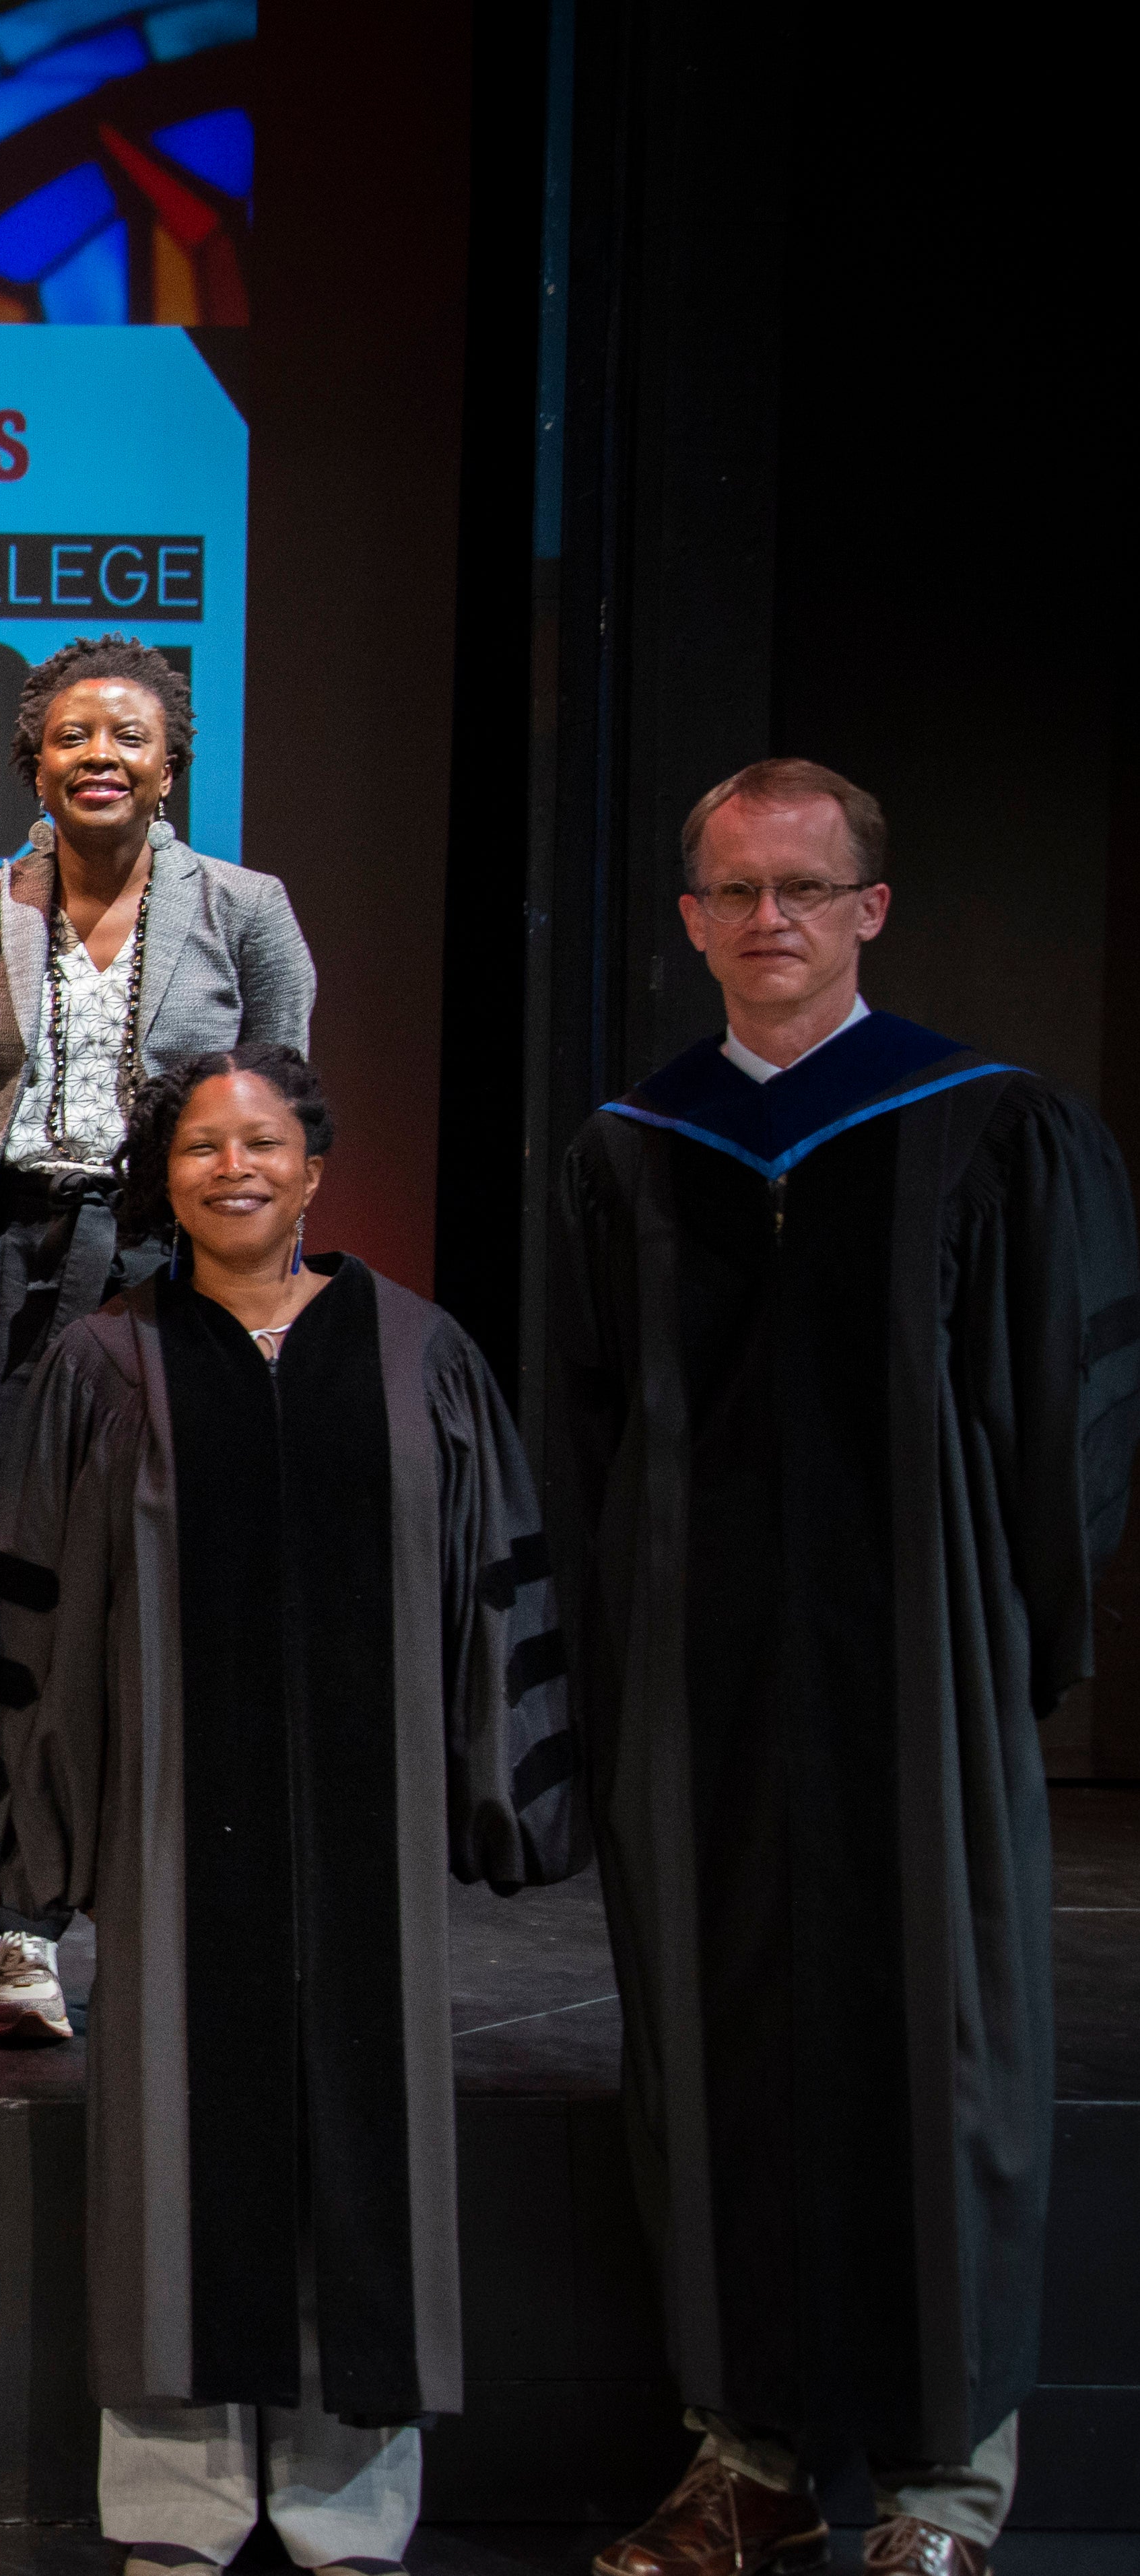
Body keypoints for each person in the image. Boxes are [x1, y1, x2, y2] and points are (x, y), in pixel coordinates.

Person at [548, 762, 1139, 2576]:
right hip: (698, 1697)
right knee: (713, 2056)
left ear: (869, 907)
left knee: (941, 2053)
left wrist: (1009, 1645)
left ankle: (944, 2490)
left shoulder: (985, 1127)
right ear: (688, 920)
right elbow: (581, 1445)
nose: (769, 920)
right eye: (732, 891)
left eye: (804, 888)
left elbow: (1068, 1425)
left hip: (920, 1681)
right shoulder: (633, 1150)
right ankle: (755, 2458)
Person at [0, 1043, 581, 2576]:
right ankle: (173, 2504)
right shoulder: (106, 1365)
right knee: (169, 2152)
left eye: (262, 1142)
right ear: (162, 1178)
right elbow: (29, 1608)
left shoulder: (414, 1351)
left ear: (311, 1167)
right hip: (175, 1834)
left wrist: (501, 1788)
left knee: (363, 2151)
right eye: (198, 1146)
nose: (231, 1167)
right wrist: (22, 1840)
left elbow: (487, 1585)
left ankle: (343, 2499)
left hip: (360, 1833)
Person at [0, 634, 310, 2049]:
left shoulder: (246, 908)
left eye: (128, 737)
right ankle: (13, 1921)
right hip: (11, 1274)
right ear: (30, 760)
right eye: (72, 734)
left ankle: (185, 1897)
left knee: (177, 1584)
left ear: (169, 764)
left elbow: (279, 1108)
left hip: (176, 1270)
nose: (99, 755)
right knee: (3, 1590)